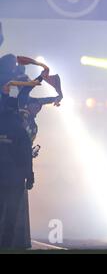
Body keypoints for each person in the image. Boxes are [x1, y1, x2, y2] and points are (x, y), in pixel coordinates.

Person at [0, 97, 34, 249]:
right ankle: (7, 246)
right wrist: (30, 177)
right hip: (15, 179)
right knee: (11, 215)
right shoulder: (21, 130)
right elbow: (27, 154)